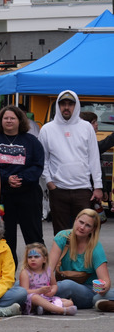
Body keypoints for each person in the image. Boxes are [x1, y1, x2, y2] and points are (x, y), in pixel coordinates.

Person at [38, 90, 102, 236]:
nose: (66, 107)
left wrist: (98, 186)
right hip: (58, 190)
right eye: (63, 104)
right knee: (61, 235)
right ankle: (62, 259)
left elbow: (93, 157)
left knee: (85, 233)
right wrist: (49, 183)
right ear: (58, 106)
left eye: (70, 104)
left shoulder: (86, 127)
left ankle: (83, 260)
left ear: (76, 106)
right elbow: (43, 160)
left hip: (83, 190)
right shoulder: (47, 129)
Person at [0, 105, 45, 267]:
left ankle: (39, 272)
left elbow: (38, 165)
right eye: (6, 118)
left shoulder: (32, 141)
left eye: (12, 118)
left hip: (29, 194)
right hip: (3, 196)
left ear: (20, 120)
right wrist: (7, 178)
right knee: (5, 237)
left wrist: (21, 178)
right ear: (1, 120)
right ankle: (7, 274)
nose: (9, 121)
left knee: (34, 235)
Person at [48, 209, 114, 311]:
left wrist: (103, 288)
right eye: (81, 222)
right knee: (27, 281)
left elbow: (105, 280)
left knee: (68, 285)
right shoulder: (62, 237)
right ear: (75, 220)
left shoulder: (95, 247)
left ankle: (34, 296)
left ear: (93, 229)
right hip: (60, 287)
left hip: (87, 291)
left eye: (88, 225)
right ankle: (39, 300)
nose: (82, 227)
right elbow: (48, 269)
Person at [19, 243, 76, 315]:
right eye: (30, 257)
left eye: (36, 257)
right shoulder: (25, 273)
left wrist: (52, 291)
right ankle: (61, 310)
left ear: (44, 259)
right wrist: (38, 291)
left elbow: (54, 284)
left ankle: (45, 309)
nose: (32, 259)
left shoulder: (48, 271)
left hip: (46, 298)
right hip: (32, 300)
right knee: (35, 298)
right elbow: (24, 292)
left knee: (70, 303)